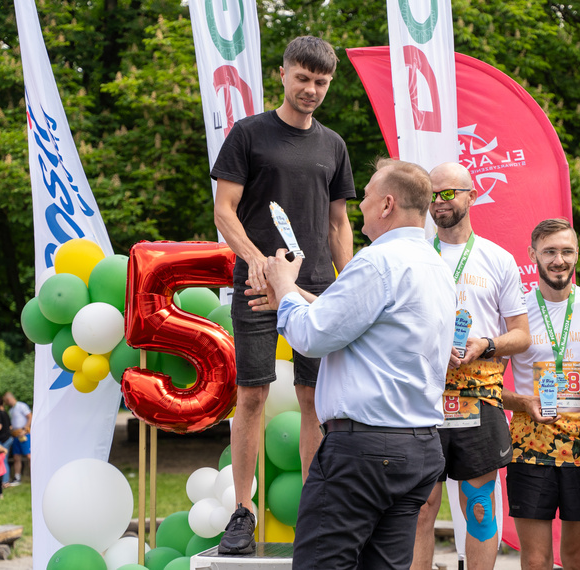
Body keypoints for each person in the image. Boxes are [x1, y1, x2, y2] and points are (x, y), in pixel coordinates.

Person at [260, 158, 454, 568]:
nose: (357, 205)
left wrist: (282, 284)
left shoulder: (375, 262)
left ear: (386, 204)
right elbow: (359, 321)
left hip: (365, 450)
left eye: (364, 196)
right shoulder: (438, 267)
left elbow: (313, 336)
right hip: (418, 447)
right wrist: (293, 296)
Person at [211, 36, 356, 555]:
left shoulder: (333, 145)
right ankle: (242, 511)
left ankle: (316, 508)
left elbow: (339, 222)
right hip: (256, 284)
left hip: (316, 285)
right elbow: (223, 210)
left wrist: (348, 285)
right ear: (283, 74)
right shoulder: (249, 134)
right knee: (251, 395)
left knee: (316, 399)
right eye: (303, 78)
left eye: (321, 82)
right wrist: (254, 259)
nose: (311, 89)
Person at [411, 162, 530, 570]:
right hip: (422, 397)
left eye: (449, 193)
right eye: (432, 194)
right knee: (420, 508)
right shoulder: (415, 255)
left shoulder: (497, 259)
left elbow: (522, 335)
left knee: (478, 504)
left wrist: (485, 344)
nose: (439, 202)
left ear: (471, 196)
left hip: (478, 398)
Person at [503, 218, 580, 570]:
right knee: (536, 559)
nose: (559, 260)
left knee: (576, 557)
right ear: (532, 255)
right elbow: (488, 383)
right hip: (531, 446)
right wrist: (524, 402)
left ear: (577, 255)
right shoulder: (516, 313)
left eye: (567, 251)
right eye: (550, 251)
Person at [3, 392, 31, 484]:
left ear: (9, 399)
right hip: (15, 434)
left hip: (24, 434)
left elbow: (29, 417)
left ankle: (34, 475)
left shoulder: (21, 406)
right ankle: (17, 477)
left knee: (29, 456)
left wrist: (25, 429)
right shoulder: (11, 410)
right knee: (16, 456)